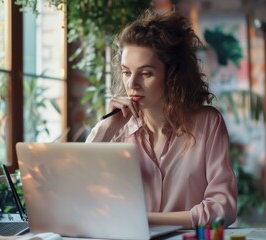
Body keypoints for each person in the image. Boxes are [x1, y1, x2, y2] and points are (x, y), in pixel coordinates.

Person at [85, 9, 237, 229]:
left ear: (172, 75)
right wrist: (104, 129)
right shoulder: (116, 130)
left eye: (145, 73)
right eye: (127, 72)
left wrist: (146, 219)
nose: (133, 84)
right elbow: (81, 199)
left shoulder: (208, 124)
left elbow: (223, 208)